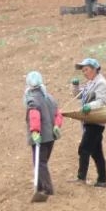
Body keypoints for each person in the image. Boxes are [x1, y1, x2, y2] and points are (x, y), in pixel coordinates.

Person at [23, 70, 64, 200]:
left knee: (40, 163)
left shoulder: (32, 100)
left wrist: (35, 131)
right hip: (51, 136)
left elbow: (34, 116)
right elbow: (58, 113)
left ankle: (47, 189)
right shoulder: (50, 98)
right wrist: (57, 125)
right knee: (42, 162)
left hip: (40, 136)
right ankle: (40, 185)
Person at [73, 57, 106, 187]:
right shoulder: (91, 82)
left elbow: (102, 101)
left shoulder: (101, 83)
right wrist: (75, 86)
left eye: (86, 69)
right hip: (90, 121)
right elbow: (78, 95)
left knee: (84, 149)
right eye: (83, 71)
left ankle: (81, 178)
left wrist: (90, 106)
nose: (84, 72)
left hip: (95, 122)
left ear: (95, 69)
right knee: (96, 152)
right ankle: (102, 180)